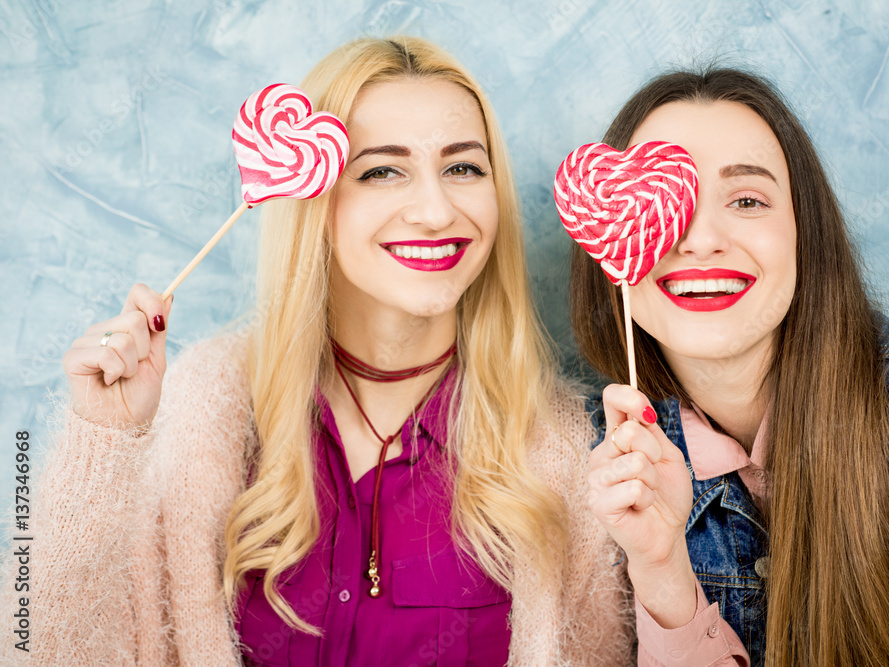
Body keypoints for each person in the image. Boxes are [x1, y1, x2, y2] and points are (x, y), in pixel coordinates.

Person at [0, 37, 646, 665]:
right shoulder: (202, 409)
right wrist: (102, 442)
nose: (434, 208)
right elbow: (37, 650)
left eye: (462, 167)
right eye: (382, 170)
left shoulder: (567, 452)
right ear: (313, 193)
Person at [572, 68, 889, 666]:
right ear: (608, 244)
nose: (700, 240)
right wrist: (660, 564)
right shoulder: (600, 462)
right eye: (667, 205)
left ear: (805, 233)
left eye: (747, 200)